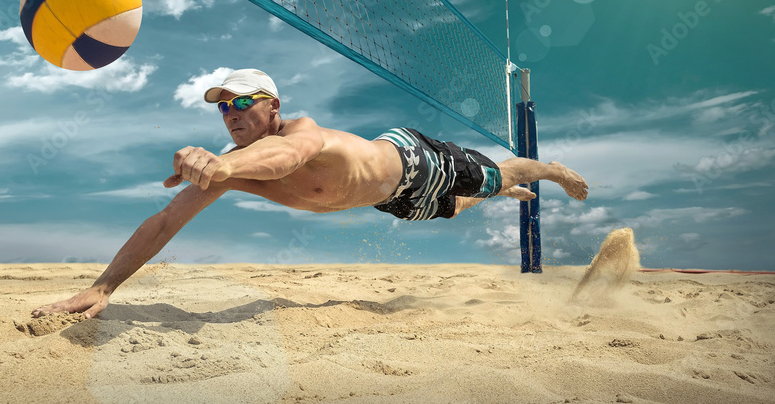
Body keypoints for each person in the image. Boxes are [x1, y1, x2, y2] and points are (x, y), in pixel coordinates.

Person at [32, 69, 587, 319]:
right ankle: (495, 192)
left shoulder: (301, 132)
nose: (230, 114)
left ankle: (548, 169)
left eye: (241, 101)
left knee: (500, 174)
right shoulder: (230, 168)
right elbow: (163, 222)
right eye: (221, 106)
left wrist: (221, 168)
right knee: (454, 210)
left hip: (411, 159)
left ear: (273, 107)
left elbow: (287, 158)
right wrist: (102, 288)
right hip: (386, 199)